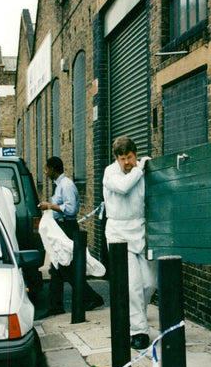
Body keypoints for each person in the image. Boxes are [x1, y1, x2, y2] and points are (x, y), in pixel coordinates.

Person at [102, 136, 157, 350]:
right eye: (122, 159)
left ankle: (137, 315)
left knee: (149, 283)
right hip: (119, 234)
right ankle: (139, 331)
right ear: (117, 159)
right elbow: (123, 187)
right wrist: (139, 168)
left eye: (130, 157)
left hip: (141, 231)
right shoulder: (110, 172)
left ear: (136, 154)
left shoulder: (142, 170)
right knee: (132, 285)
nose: (127, 162)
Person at [39, 156, 104, 316]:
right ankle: (56, 306)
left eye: (46, 169)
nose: (45, 172)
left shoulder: (66, 185)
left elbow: (71, 209)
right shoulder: (60, 185)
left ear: (53, 169)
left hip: (67, 228)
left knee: (64, 266)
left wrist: (50, 206)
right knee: (58, 266)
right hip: (61, 227)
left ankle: (92, 297)